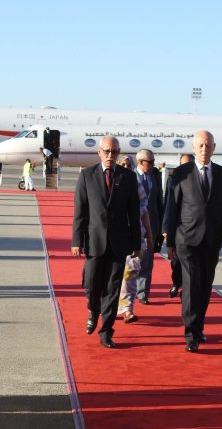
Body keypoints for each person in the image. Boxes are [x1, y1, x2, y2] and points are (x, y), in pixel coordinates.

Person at [165, 130, 222, 352]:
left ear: (214, 148)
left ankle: (198, 326)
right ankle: (190, 334)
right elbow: (172, 208)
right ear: (194, 147)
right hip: (186, 239)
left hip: (212, 240)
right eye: (201, 145)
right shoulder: (181, 173)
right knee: (190, 285)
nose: (204, 149)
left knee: (205, 286)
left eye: (208, 145)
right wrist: (169, 242)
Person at [72, 136, 141, 348]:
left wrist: (136, 243)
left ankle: (106, 331)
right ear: (99, 152)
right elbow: (80, 212)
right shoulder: (87, 175)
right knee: (91, 285)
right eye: (107, 151)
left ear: (119, 153)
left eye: (115, 152)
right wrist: (77, 241)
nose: (111, 155)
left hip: (119, 243)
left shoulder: (128, 177)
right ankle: (93, 310)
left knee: (112, 289)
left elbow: (134, 212)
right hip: (94, 241)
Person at [117, 157, 152, 323]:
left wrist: (149, 235)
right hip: (113, 237)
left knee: (130, 274)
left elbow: (144, 212)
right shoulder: (108, 183)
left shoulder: (136, 185)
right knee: (112, 276)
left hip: (134, 237)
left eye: (128, 165)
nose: (126, 167)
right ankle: (109, 307)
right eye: (123, 165)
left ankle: (127, 309)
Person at [135, 149, 163, 305]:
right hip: (134, 227)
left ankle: (143, 293)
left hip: (152, 227)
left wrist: (161, 228)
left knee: (147, 262)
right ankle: (128, 291)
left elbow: (159, 202)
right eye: (150, 162)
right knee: (132, 262)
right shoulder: (130, 177)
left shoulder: (155, 176)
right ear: (140, 162)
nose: (153, 165)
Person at [164, 153, 193, 299]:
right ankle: (176, 283)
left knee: (191, 263)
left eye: (188, 164)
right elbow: (168, 204)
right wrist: (165, 228)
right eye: (183, 164)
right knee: (175, 261)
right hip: (177, 227)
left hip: (193, 229)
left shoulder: (199, 179)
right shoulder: (173, 179)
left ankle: (186, 289)